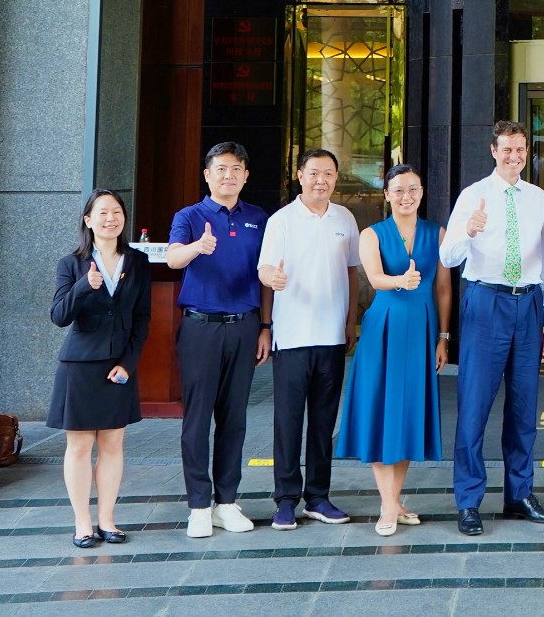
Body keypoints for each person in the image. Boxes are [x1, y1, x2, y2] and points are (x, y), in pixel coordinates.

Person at [440, 119, 544, 536]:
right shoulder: (473, 195)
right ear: (493, 151)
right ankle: (468, 500)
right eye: (506, 149)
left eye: (520, 149)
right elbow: (448, 257)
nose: (514, 156)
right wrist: (468, 231)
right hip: (486, 302)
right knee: (474, 405)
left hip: (527, 304)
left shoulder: (538, 198)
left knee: (524, 407)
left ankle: (519, 494)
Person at [336, 164, 451, 536]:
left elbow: (443, 288)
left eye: (413, 189)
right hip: (383, 328)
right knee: (380, 409)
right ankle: (387, 505)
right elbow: (374, 278)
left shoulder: (437, 233)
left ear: (422, 192)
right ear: (386, 194)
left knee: (407, 412)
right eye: (398, 190)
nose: (406, 196)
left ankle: (395, 499)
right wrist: (400, 280)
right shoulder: (372, 234)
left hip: (422, 329)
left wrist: (443, 336)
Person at [167, 142, 269, 538]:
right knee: (197, 418)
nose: (229, 175)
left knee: (234, 418)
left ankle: (226, 502)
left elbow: (266, 275)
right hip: (200, 327)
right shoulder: (189, 216)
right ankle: (198, 504)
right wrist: (197, 247)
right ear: (207, 175)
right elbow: (173, 258)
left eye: (236, 168)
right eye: (221, 168)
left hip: (244, 326)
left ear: (246, 176)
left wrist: (265, 327)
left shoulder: (259, 218)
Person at [258, 148, 359, 530]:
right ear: (300, 176)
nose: (321, 180)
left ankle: (318, 496)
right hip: (292, 336)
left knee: (323, 421)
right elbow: (265, 269)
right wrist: (272, 283)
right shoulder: (281, 220)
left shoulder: (344, 218)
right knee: (287, 421)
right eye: (314, 173)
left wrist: (350, 321)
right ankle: (285, 499)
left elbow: (352, 272)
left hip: (332, 336)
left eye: (328, 173)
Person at [47, 189, 152, 548]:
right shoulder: (71, 264)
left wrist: (128, 363)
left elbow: (142, 319)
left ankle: (107, 519)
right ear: (88, 220)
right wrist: (83, 287)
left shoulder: (137, 262)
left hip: (118, 366)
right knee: (79, 447)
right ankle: (83, 522)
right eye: (103, 213)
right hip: (79, 365)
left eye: (117, 212)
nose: (111, 219)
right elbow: (59, 316)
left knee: (112, 443)